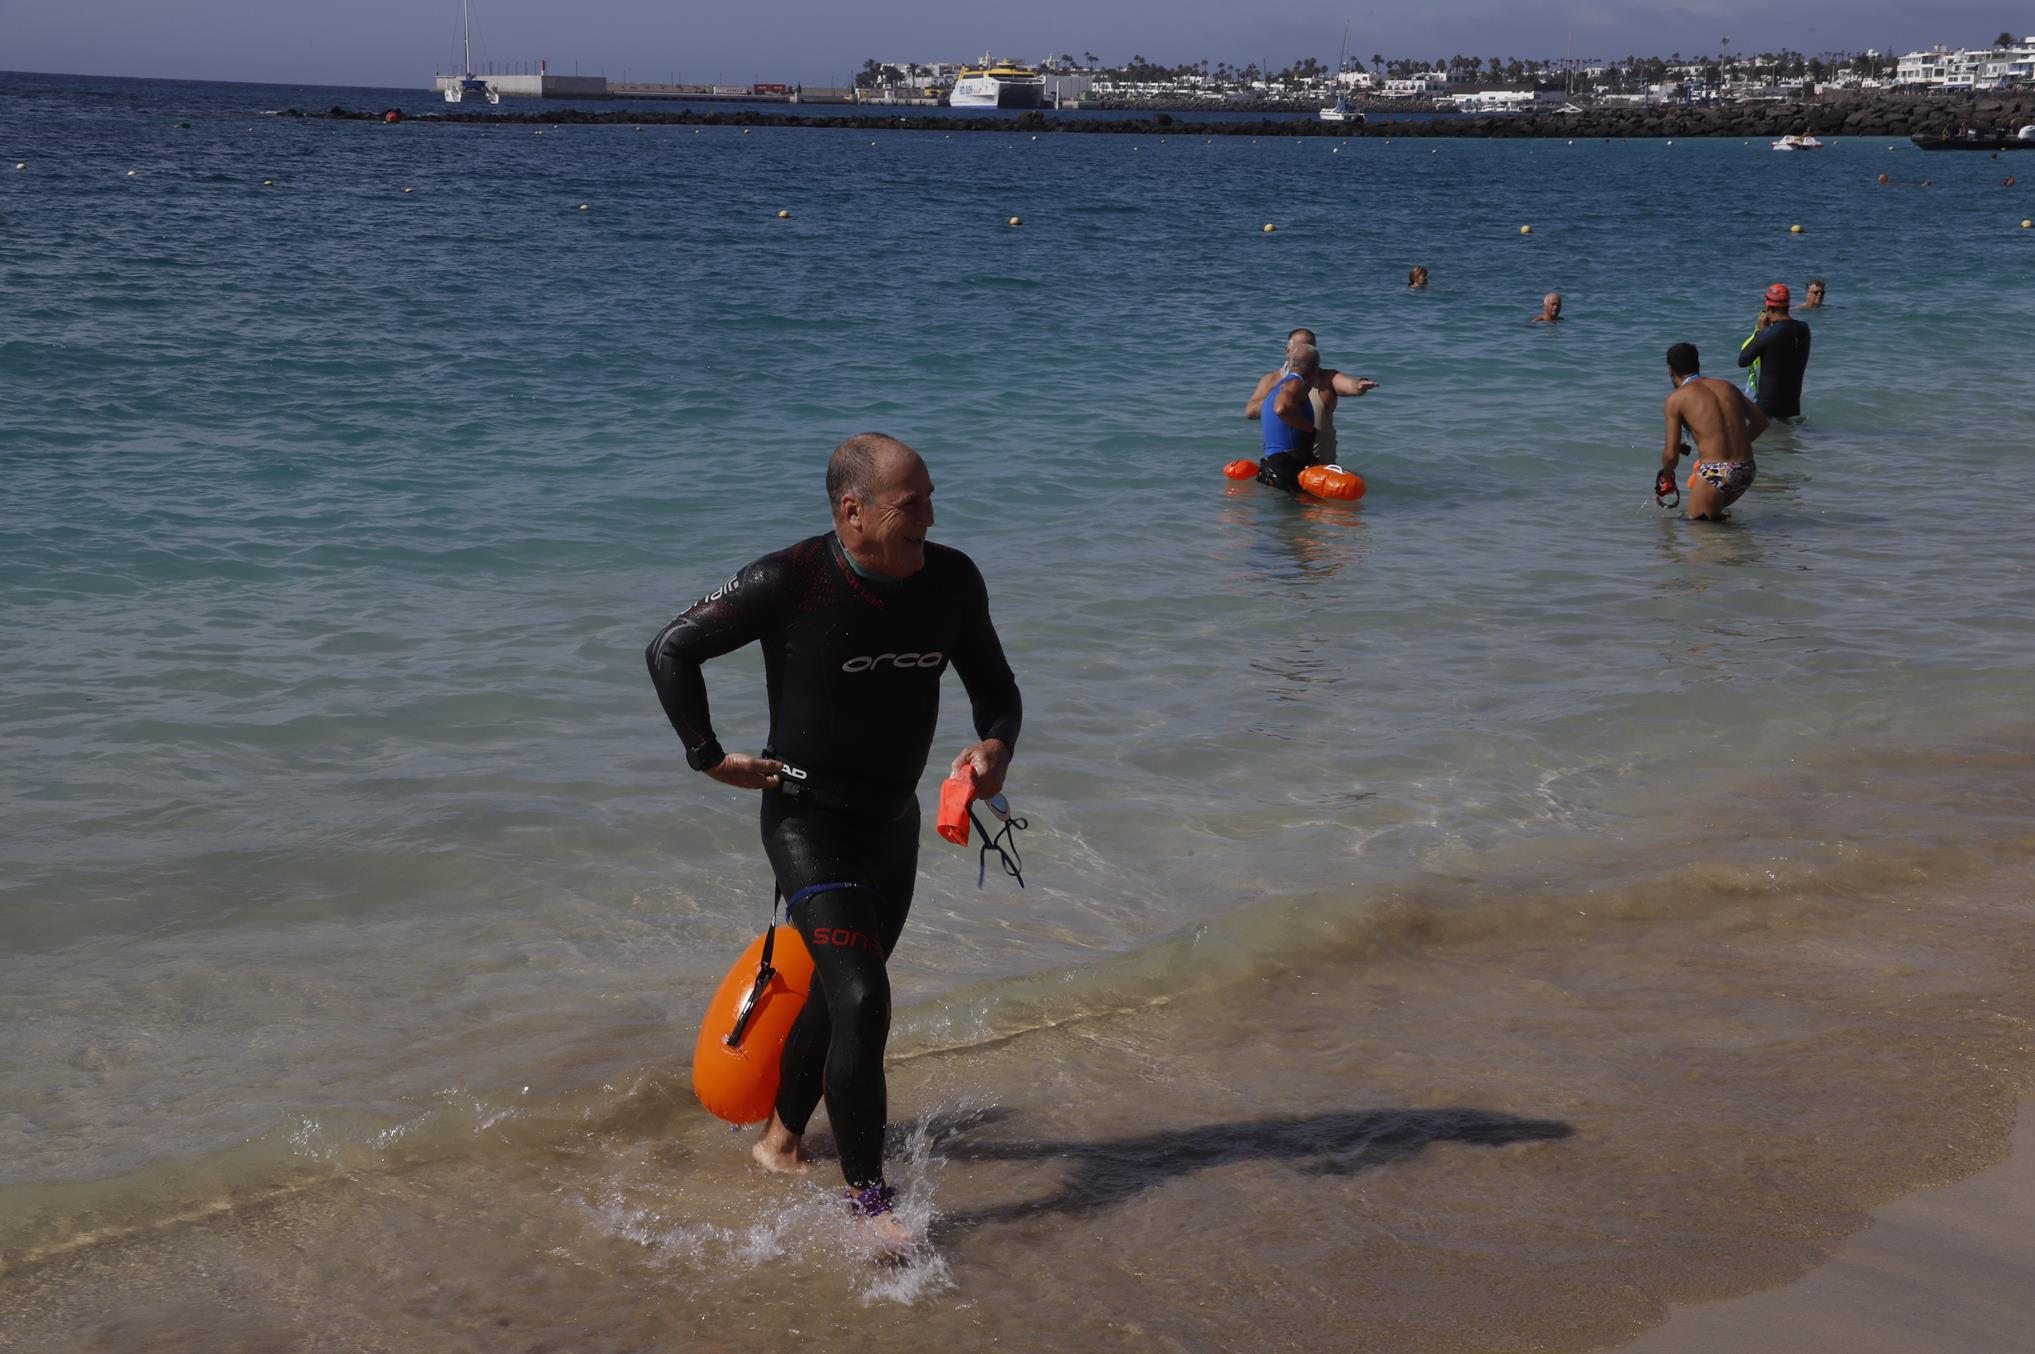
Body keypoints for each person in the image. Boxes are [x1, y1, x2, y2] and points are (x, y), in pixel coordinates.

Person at [645, 433, 1022, 1253]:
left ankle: (780, 1142)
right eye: (909, 503)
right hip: (807, 826)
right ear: (852, 513)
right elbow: (671, 648)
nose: (929, 515)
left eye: (929, 496)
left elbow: (994, 689)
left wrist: (994, 749)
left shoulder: (951, 579)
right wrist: (709, 757)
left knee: (841, 991)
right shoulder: (793, 579)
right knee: (861, 997)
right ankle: (869, 1209)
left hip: (894, 826)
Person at [1660, 342, 1768, 521]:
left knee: (1699, 531)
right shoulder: (1727, 386)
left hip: (1715, 472)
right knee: (1715, 529)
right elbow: (1761, 422)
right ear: (1698, 365)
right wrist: (1734, 446)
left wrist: (1666, 475)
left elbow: (1671, 455)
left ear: (1670, 369)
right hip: (1747, 468)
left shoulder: (1676, 399)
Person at [1243, 328, 1380, 469]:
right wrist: (1283, 399)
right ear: (1287, 351)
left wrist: (1359, 385)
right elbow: (1250, 411)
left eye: (1310, 348)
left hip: (1322, 467)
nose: (1305, 352)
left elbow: (1349, 385)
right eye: (1300, 348)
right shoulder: (1271, 380)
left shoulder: (1327, 378)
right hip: (1287, 464)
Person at [1735, 282, 1812, 419]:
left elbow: (1743, 360)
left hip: (1768, 408)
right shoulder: (1804, 328)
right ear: (1788, 305)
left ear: (1767, 306)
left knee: (1768, 441)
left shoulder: (1770, 333)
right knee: (1788, 439)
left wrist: (1761, 331)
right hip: (1793, 406)